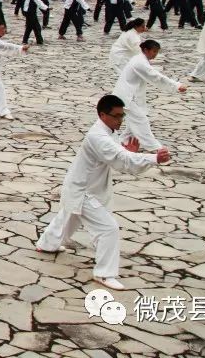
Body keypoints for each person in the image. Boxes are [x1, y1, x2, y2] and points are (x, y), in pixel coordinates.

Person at [36, 94, 171, 291]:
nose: (120, 120)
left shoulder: (108, 131)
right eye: (116, 116)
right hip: (82, 190)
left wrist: (131, 153)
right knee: (108, 229)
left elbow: (119, 156)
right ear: (102, 115)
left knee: (69, 216)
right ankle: (104, 274)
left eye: (122, 116)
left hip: (83, 186)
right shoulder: (97, 136)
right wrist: (153, 158)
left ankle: (47, 244)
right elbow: (120, 158)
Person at [113, 39, 186, 151]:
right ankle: (155, 147)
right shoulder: (139, 62)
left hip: (128, 95)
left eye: (157, 52)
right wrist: (176, 85)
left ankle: (122, 142)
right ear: (146, 50)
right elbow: (156, 76)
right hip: (126, 96)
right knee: (141, 120)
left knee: (135, 121)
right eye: (154, 51)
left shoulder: (140, 59)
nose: (155, 54)